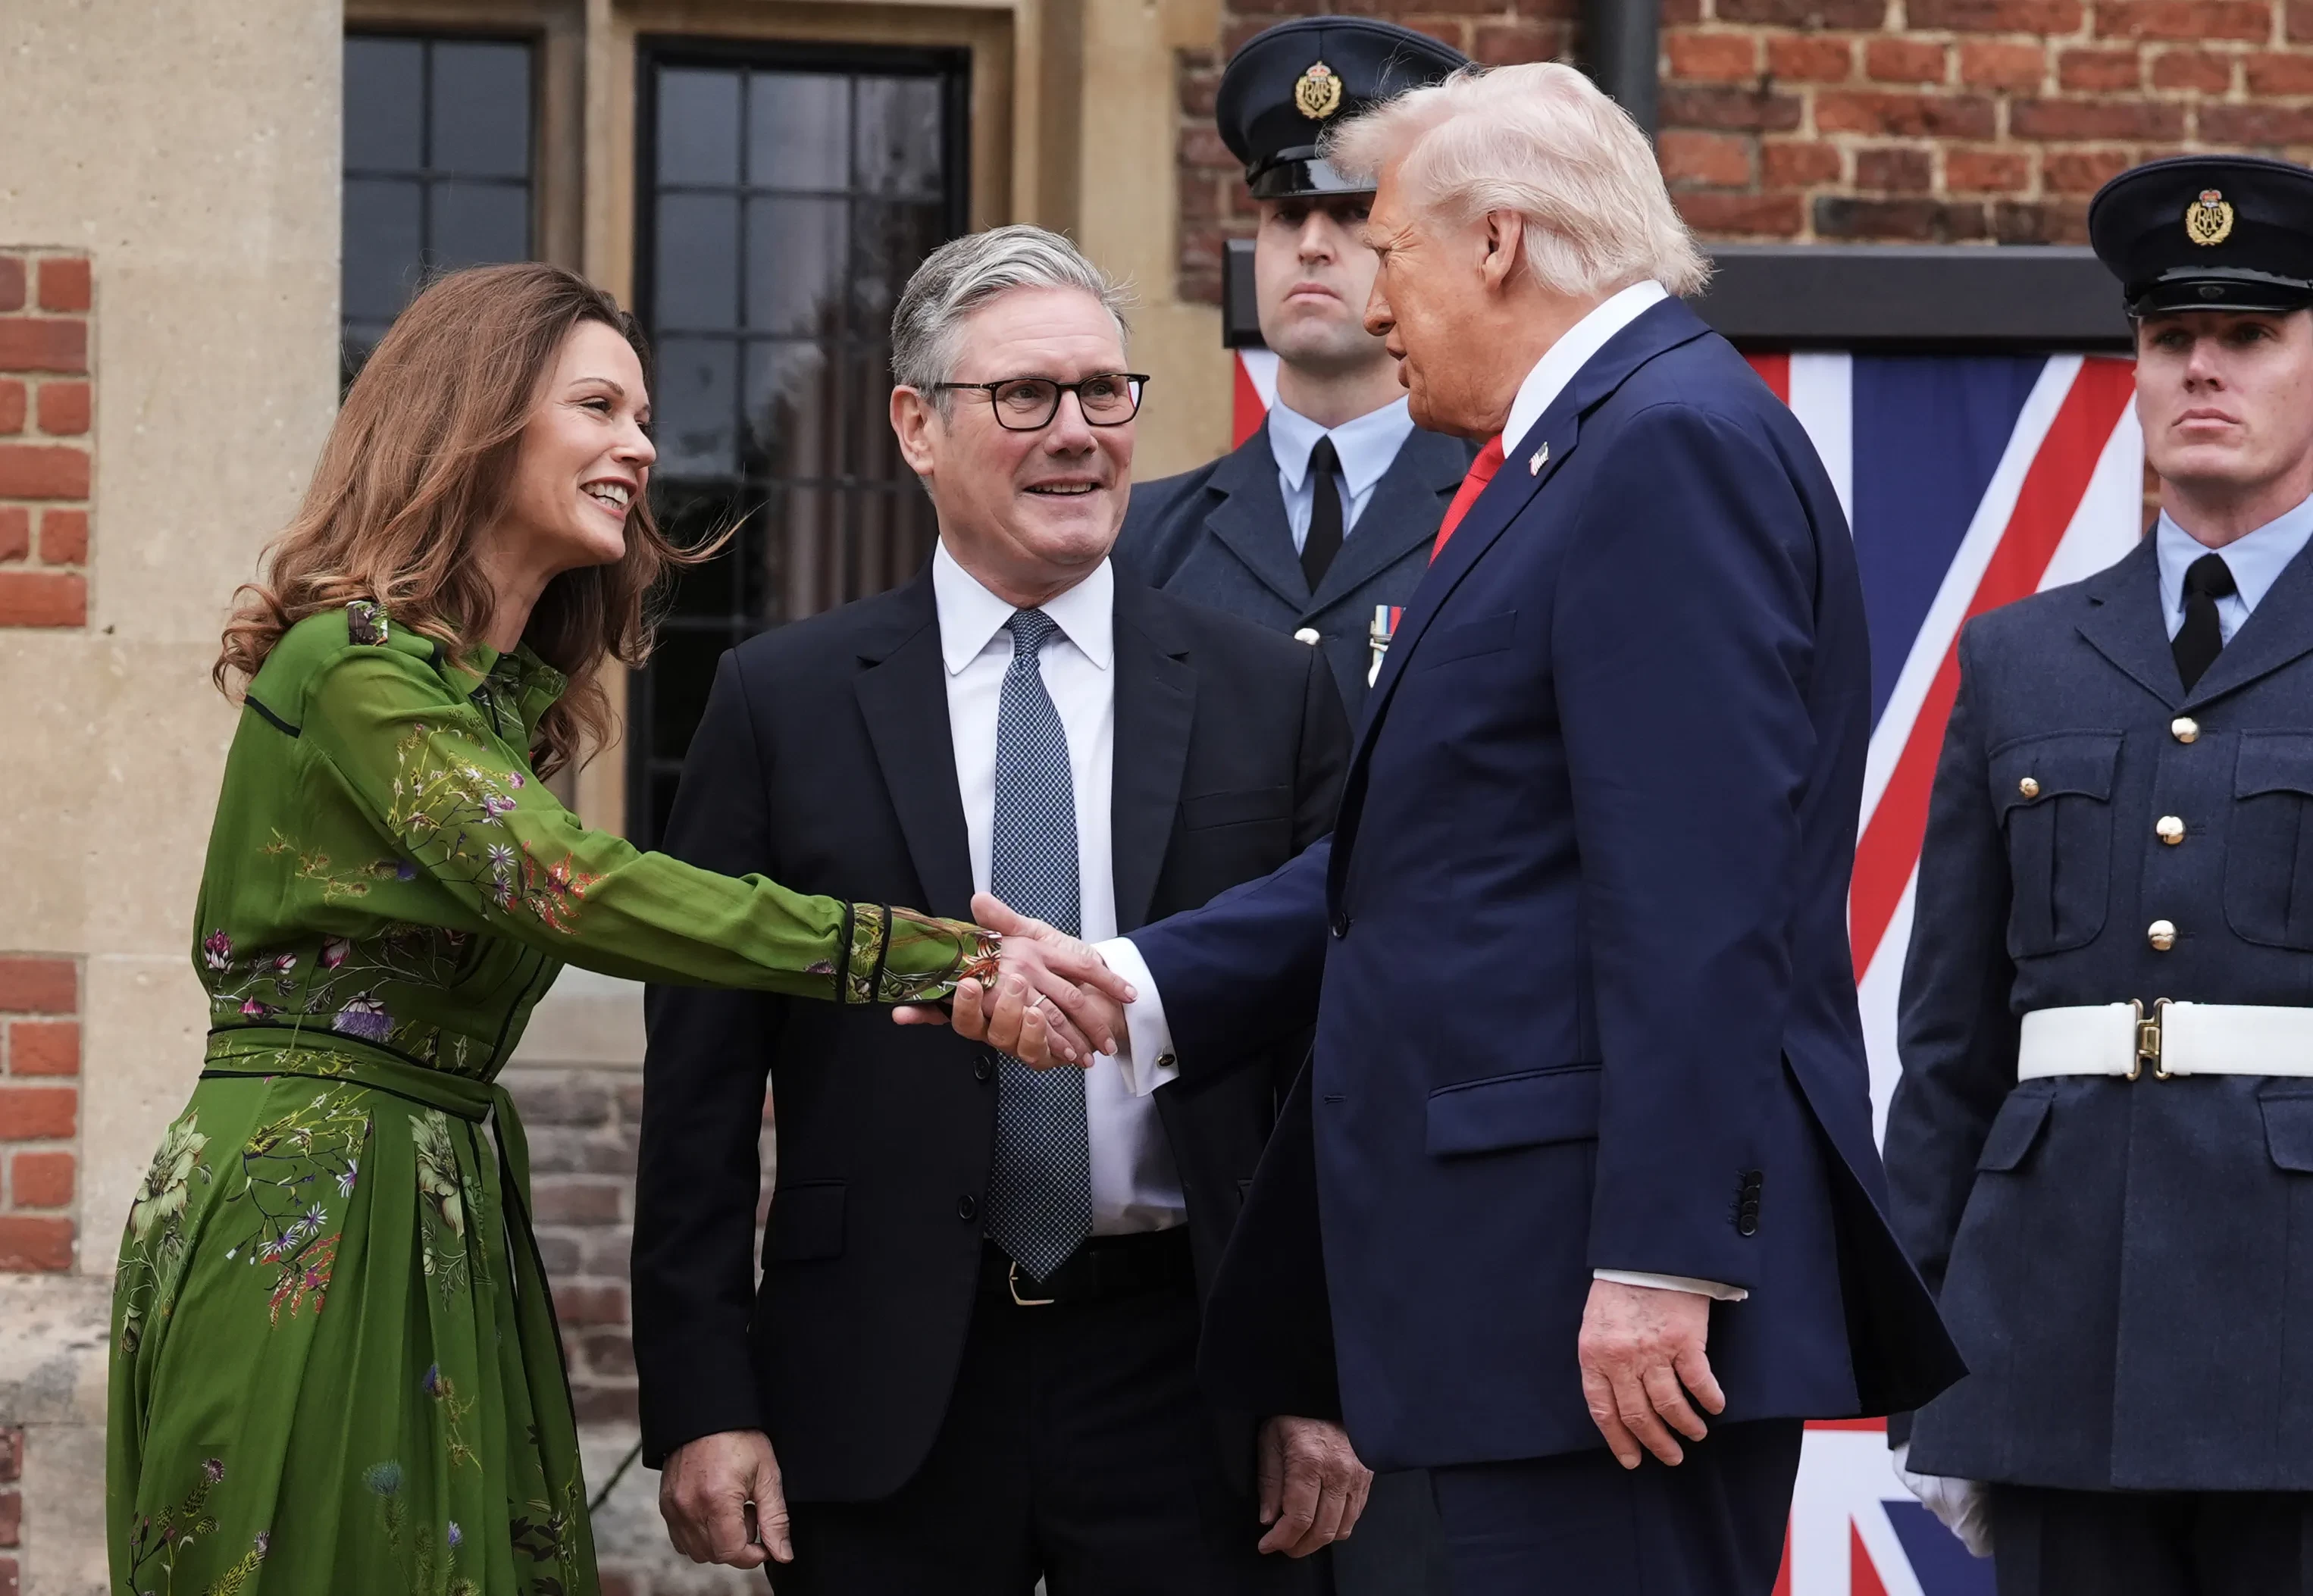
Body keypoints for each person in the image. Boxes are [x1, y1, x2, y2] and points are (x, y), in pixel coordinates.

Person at [933, 64, 1967, 1595]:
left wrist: (1661, 1256)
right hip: (1521, 1300)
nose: (1368, 299)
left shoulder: (1661, 445)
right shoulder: (1582, 452)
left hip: (1604, 1313)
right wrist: (1137, 985)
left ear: (1497, 242)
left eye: (1390, 250)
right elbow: (1434, 859)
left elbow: (1697, 895)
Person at [105, 262, 1122, 1596]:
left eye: (643, 416)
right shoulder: (347, 665)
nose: (641, 447)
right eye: (597, 407)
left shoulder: (485, 702)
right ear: (475, 423)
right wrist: (940, 952)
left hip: (441, 1188)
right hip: (313, 1195)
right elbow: (575, 889)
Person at [633, 226, 1367, 1596]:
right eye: (1025, 395)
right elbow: (700, 1090)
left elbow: (1335, 1061)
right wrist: (702, 1396)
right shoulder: (781, 703)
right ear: (916, 425)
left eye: (1103, 391)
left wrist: (1315, 1376)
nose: (1077, 432)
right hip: (878, 1376)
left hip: (1189, 1382)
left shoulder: (1270, 694)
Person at [1884, 154, 2313, 1595]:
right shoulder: (2020, 656)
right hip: (2056, 1326)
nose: (2203, 368)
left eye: (2249, 334)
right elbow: (1949, 1041)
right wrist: (1924, 1338)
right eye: (2170, 335)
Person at [1116, 17, 1474, 715]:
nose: (1311, 243)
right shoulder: (1145, 539)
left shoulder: (1500, 512)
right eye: (1286, 213)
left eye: (1354, 213)